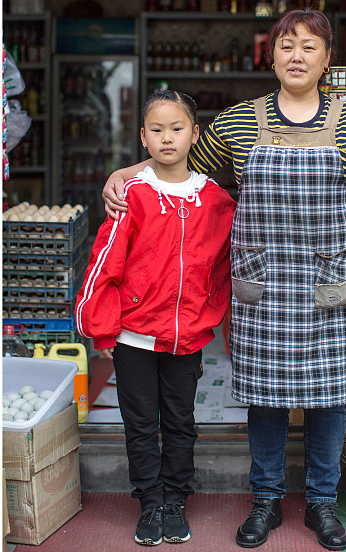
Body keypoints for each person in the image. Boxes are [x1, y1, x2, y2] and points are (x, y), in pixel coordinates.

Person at [103, 10, 346, 551]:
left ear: (328, 60)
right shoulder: (238, 122)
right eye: (286, 46)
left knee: (328, 398)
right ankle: (266, 500)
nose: (297, 56)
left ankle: (324, 502)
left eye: (309, 47)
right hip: (262, 285)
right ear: (271, 55)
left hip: (330, 282)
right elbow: (182, 169)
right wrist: (126, 173)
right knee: (266, 397)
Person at [77, 90, 235, 546]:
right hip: (133, 336)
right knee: (141, 424)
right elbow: (105, 263)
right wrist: (101, 328)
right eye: (157, 130)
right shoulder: (134, 196)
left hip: (187, 338)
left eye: (177, 128)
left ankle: (175, 501)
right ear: (143, 138)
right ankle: (149, 502)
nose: (168, 138)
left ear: (194, 134)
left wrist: (210, 316)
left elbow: (224, 264)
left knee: (181, 421)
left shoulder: (214, 200)